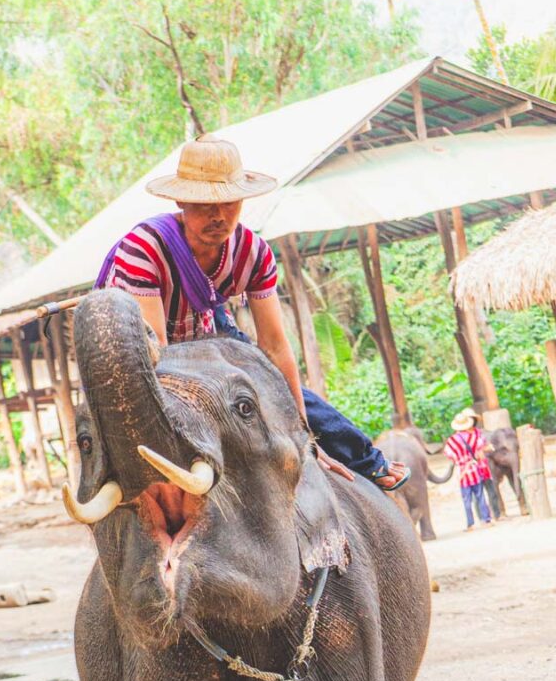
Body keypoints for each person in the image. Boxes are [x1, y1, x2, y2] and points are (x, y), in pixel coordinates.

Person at [94, 137, 409, 493]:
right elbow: (162, 358)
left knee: (269, 382)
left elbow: (274, 346)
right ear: (180, 201)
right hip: (144, 351)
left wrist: (302, 437)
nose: (218, 215)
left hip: (205, 329)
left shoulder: (254, 253)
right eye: (204, 204)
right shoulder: (144, 250)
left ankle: (364, 458)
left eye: (229, 202)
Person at [444, 408, 492, 530]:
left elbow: (449, 454)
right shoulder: (474, 437)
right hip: (475, 470)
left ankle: (470, 524)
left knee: (466, 500)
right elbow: (481, 449)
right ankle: (486, 520)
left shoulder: (452, 441)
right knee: (480, 496)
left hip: (463, 473)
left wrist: (459, 460)